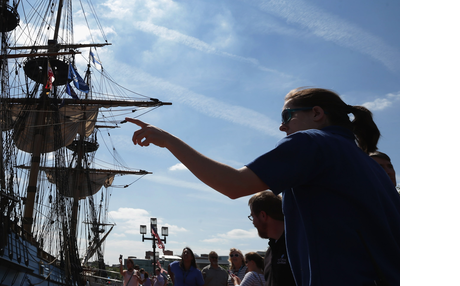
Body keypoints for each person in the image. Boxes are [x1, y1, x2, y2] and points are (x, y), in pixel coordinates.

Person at [127, 87, 400, 286]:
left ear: (317, 113)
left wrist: (168, 140)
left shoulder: (312, 142)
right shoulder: (368, 166)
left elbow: (233, 184)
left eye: (287, 115)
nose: (282, 127)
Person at [248, 191, 295, 286]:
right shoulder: (270, 252)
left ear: (263, 215)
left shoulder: (297, 246)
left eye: (252, 216)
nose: (253, 222)